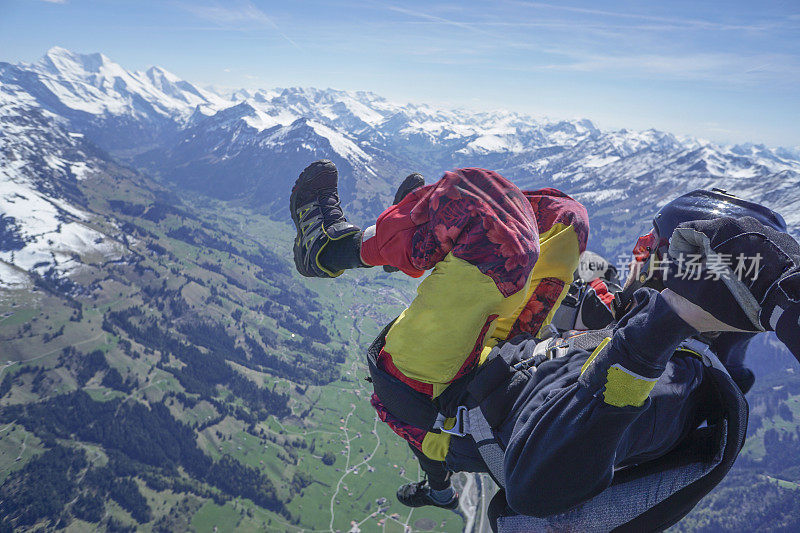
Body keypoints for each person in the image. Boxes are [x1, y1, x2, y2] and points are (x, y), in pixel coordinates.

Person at [289, 160, 800, 523]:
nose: (641, 250)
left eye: (660, 246)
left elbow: (539, 486)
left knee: (486, 213)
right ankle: (421, 232)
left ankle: (331, 247)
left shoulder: (671, 387)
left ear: (693, 281)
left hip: (442, 393)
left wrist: (665, 320)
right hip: (503, 365)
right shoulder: (667, 348)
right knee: (565, 216)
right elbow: (599, 329)